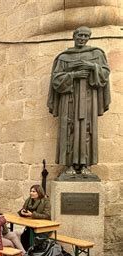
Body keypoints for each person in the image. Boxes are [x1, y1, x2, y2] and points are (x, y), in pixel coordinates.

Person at [48, 26, 111, 176]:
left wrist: (91, 67)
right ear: (74, 35)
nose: (82, 38)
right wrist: (74, 75)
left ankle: (85, 165)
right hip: (68, 99)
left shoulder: (96, 54)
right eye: (80, 35)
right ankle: (69, 165)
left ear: (89, 37)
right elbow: (56, 79)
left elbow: (105, 73)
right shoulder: (64, 57)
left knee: (87, 130)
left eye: (85, 36)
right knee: (68, 130)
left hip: (89, 99)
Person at [18, 185, 51, 250]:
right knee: (24, 237)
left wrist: (32, 214)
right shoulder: (29, 200)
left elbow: (47, 215)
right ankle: (27, 254)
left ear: (39, 192)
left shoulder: (45, 201)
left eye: (34, 191)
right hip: (31, 226)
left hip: (43, 228)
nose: (31, 193)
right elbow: (24, 209)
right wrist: (22, 212)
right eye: (31, 191)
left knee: (35, 240)